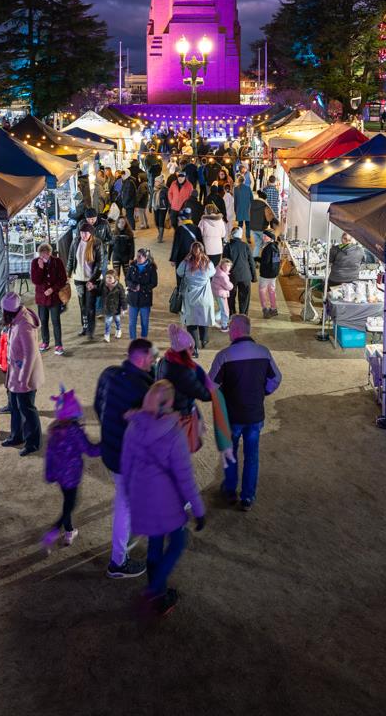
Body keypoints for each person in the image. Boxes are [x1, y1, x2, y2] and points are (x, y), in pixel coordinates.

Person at [120, 379, 207, 616]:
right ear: (169, 403)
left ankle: (158, 594)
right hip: (166, 503)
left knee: (155, 545)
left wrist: (130, 494)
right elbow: (184, 477)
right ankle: (154, 589)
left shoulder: (133, 426)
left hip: (142, 498)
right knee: (178, 542)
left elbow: (126, 465)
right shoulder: (173, 433)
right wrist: (198, 510)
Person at [95, 339, 155, 579]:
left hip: (110, 451)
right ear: (141, 359)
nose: (153, 362)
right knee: (124, 505)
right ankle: (118, 562)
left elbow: (98, 407)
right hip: (128, 459)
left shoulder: (109, 374)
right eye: (151, 358)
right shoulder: (145, 388)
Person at [209, 314, 281, 510]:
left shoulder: (223, 356)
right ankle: (248, 496)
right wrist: (263, 392)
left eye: (230, 327)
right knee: (252, 455)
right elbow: (276, 379)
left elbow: (211, 385)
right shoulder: (264, 352)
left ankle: (230, 491)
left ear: (235, 330)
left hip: (231, 416)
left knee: (229, 453)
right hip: (255, 414)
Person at [41, 387, 99, 552]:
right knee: (71, 504)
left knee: (67, 501)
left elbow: (49, 454)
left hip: (59, 475)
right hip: (71, 476)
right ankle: (54, 530)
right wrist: (106, 445)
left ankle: (69, 532)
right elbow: (90, 450)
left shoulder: (54, 429)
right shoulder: (75, 431)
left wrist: (50, 474)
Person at [0, 292, 43, 456]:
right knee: (15, 406)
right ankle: (16, 436)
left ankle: (33, 442)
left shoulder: (24, 325)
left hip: (25, 376)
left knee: (27, 408)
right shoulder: (16, 319)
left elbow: (30, 354)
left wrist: (23, 379)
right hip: (15, 374)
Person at [177, 246, 219, 351]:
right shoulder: (208, 263)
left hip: (190, 298)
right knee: (203, 319)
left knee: (191, 323)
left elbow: (179, 272)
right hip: (204, 297)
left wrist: (185, 260)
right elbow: (213, 272)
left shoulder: (186, 263)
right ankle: (204, 340)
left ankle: (194, 348)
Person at [30, 242, 69, 354]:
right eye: (41, 255)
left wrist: (53, 289)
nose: (43, 257)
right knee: (43, 320)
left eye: (45, 255)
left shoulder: (58, 262)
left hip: (54, 298)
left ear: (50, 253)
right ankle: (45, 342)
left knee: (56, 321)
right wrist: (40, 268)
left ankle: (58, 345)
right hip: (41, 299)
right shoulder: (35, 262)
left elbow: (62, 279)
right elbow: (35, 280)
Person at [72, 229, 101, 338]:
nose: (84, 235)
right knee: (82, 306)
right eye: (82, 232)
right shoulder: (75, 241)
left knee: (90, 306)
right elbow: (71, 258)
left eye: (86, 232)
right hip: (79, 279)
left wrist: (92, 280)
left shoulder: (97, 243)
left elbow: (100, 263)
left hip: (91, 280)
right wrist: (69, 273)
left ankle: (90, 330)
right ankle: (84, 327)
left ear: (91, 233)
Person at [223, 224, 255, 318]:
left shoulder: (228, 247)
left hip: (232, 276)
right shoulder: (245, 246)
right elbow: (251, 262)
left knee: (231, 296)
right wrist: (254, 276)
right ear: (241, 235)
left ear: (232, 235)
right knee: (244, 297)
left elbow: (224, 263)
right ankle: (243, 315)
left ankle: (232, 314)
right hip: (245, 275)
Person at [126, 248, 159, 339]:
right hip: (133, 298)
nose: (138, 257)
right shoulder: (132, 266)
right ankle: (133, 341)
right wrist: (133, 286)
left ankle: (143, 339)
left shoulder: (151, 268)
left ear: (146, 257)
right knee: (132, 322)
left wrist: (142, 288)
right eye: (137, 255)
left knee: (144, 322)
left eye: (141, 256)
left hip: (145, 299)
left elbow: (154, 283)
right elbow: (127, 279)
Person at [98, 264, 126, 344]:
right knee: (108, 322)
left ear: (115, 278)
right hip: (107, 308)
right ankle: (107, 335)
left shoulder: (119, 287)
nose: (108, 279)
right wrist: (93, 288)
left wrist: (124, 308)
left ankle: (118, 330)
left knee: (117, 320)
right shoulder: (103, 285)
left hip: (116, 308)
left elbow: (123, 298)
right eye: (107, 277)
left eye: (110, 278)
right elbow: (98, 293)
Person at [257, 236, 284, 318]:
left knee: (262, 291)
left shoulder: (267, 248)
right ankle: (273, 308)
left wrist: (256, 259)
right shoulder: (275, 247)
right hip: (273, 275)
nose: (263, 237)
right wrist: (275, 272)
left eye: (266, 236)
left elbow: (265, 261)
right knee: (272, 291)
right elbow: (276, 261)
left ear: (271, 238)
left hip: (265, 274)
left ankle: (265, 309)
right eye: (263, 235)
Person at [153, 175, 172, 243]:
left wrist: (170, 208)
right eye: (155, 181)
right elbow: (153, 198)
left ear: (160, 182)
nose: (155, 183)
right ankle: (159, 233)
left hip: (163, 208)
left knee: (161, 221)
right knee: (156, 222)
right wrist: (150, 205)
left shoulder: (165, 189)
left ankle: (160, 236)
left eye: (156, 181)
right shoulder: (154, 188)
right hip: (155, 207)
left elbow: (169, 199)